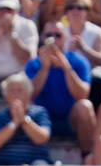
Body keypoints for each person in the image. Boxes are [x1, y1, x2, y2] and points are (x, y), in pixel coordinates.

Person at [25, 21, 95, 154]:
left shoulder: (79, 62)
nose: (53, 39)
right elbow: (30, 95)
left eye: (58, 35)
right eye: (49, 35)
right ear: (42, 38)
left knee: (85, 107)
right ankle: (34, 161)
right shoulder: (34, 64)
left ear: (65, 38)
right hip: (41, 119)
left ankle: (87, 159)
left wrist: (66, 67)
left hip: (70, 119)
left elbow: (82, 95)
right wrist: (44, 69)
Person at [0, 71, 51, 166]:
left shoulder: (39, 112)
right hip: (5, 165)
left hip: (34, 163)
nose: (16, 94)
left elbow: (42, 138)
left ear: (29, 94)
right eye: (12, 91)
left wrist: (24, 120)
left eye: (20, 90)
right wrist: (14, 123)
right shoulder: (1, 117)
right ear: (6, 96)